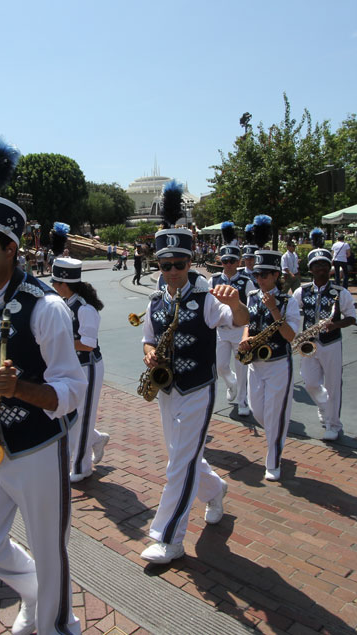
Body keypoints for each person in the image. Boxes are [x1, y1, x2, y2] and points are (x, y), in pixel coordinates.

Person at [0, 146, 87, 635]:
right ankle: (36, 593)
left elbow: (72, 388)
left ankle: (57, 622)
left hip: (37, 446)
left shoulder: (46, 307)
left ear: (11, 248)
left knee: (48, 544)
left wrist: (26, 390)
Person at [138, 221, 249, 564]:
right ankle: (215, 490)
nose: (171, 271)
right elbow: (147, 338)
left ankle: (169, 538)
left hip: (198, 389)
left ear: (190, 263)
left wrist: (238, 301)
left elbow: (240, 320)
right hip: (167, 389)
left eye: (179, 264)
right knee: (182, 456)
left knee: (179, 463)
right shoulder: (156, 301)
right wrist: (149, 354)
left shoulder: (207, 299)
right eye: (165, 265)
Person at [50, 256, 111, 483]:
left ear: (64, 284)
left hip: (88, 366)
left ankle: (81, 467)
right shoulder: (66, 303)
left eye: (55, 283)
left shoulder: (85, 309)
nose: (54, 287)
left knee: (83, 414)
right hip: (72, 365)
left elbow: (88, 343)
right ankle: (95, 439)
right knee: (71, 413)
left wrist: (57, 342)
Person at [238, 249, 296, 481]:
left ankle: (273, 461)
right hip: (255, 362)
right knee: (258, 411)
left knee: (274, 415)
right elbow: (248, 323)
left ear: (275, 275)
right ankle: (276, 434)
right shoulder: (251, 296)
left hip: (279, 363)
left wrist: (274, 308)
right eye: (257, 275)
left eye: (264, 275)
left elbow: (291, 336)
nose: (259, 279)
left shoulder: (287, 301)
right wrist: (244, 338)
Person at [290, 249, 357, 441]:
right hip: (309, 343)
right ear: (310, 269)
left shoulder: (340, 292)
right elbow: (292, 312)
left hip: (331, 343)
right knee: (310, 382)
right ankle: (324, 407)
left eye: (325, 265)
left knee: (333, 384)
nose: (321, 268)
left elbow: (352, 317)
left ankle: (333, 424)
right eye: (317, 265)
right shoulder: (301, 291)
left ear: (330, 268)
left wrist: (335, 324)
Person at [210, 231, 254, 417]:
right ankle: (231, 383)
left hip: (239, 330)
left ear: (239, 262)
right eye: (225, 261)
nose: (228, 265)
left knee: (242, 368)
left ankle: (243, 401)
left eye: (232, 261)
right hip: (221, 330)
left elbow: (252, 308)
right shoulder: (213, 279)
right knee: (220, 366)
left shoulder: (246, 281)